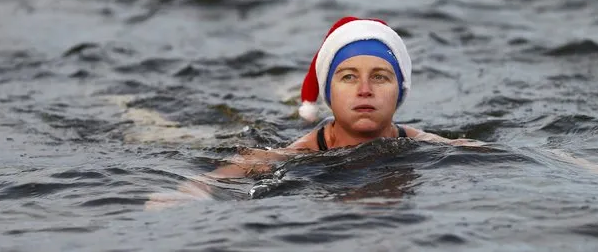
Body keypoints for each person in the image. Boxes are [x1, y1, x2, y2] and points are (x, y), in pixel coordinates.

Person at [145, 16, 483, 209]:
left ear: (400, 92)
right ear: (329, 95)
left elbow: (478, 153)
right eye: (348, 77)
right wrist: (187, 192)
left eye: (379, 77)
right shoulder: (303, 151)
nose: (365, 90)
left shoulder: (423, 143)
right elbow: (240, 167)